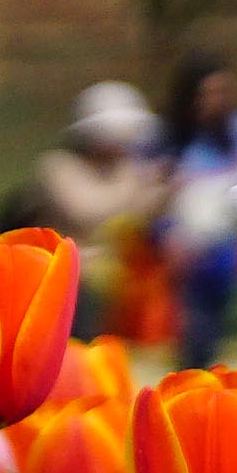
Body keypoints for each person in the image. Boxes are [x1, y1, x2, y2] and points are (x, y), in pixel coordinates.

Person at [155, 55, 237, 370]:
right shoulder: (168, 138)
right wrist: (171, 234)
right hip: (180, 247)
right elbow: (151, 195)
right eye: (206, 93)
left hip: (229, 243)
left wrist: (225, 204)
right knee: (191, 330)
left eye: (223, 92)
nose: (216, 101)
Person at [34, 82, 166, 337]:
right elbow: (86, 212)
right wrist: (137, 184)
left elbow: (145, 213)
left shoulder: (131, 168)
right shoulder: (58, 167)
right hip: (74, 271)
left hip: (122, 273)